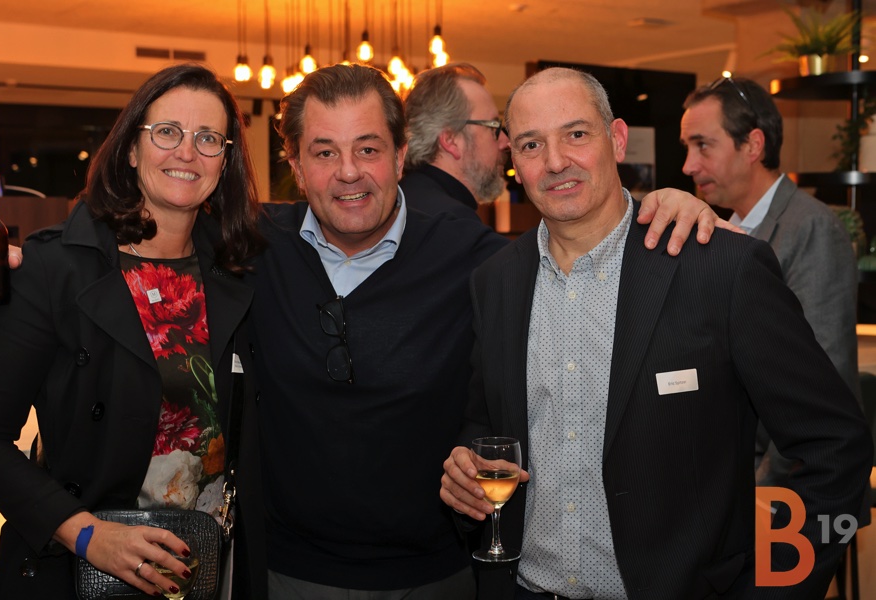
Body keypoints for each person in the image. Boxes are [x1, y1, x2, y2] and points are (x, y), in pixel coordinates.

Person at [248, 63, 722, 599]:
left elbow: (580, 250)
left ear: (401, 156)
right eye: (324, 152)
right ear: (295, 164)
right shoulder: (251, 247)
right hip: (288, 574)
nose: (349, 172)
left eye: (368, 148)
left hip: (438, 578)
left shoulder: (479, 260)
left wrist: (670, 207)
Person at [440, 66, 873, 600]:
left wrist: (773, 587)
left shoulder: (720, 268)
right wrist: (466, 468)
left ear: (617, 139)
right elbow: (485, 423)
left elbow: (835, 447)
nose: (555, 162)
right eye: (532, 144)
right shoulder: (496, 282)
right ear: (514, 159)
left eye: (576, 134)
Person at [0, 63, 267, 599]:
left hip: (201, 574)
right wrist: (86, 533)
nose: (187, 152)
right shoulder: (52, 268)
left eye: (208, 138)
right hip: (73, 570)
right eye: (167, 132)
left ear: (224, 161)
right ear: (131, 148)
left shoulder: (241, 268)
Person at [680, 76, 861, 488]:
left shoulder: (811, 227)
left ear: (753, 146)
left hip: (793, 490)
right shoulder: (721, 232)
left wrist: (758, 492)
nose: (689, 165)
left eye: (703, 145)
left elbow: (818, 387)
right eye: (687, 147)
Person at [400, 62, 509, 220]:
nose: (505, 141)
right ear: (451, 140)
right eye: (493, 127)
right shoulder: (452, 220)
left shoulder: (402, 200)